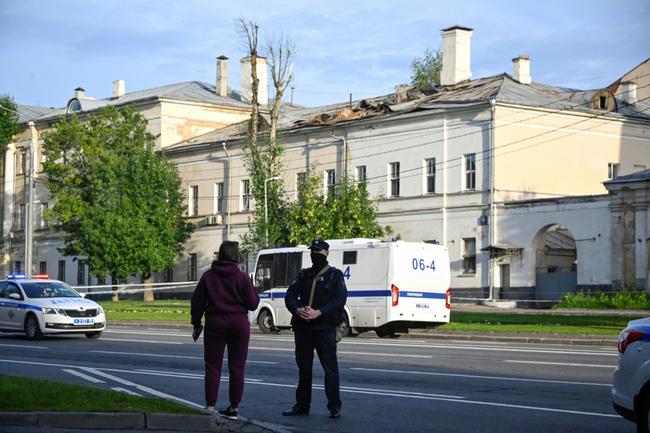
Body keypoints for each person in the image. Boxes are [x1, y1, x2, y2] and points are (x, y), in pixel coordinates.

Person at [190, 241, 260, 420]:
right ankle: (234, 408)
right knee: (237, 367)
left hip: (215, 323)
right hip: (238, 323)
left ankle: (210, 405)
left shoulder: (208, 276)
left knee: (213, 366)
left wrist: (196, 322)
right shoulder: (243, 277)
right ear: (236, 255)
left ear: (220, 254)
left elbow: (197, 302)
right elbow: (253, 303)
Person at [283, 239, 348, 419]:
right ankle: (302, 405)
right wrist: (297, 309)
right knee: (304, 368)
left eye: (318, 251)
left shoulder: (335, 275)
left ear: (326, 253)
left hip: (325, 328)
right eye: (313, 251)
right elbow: (290, 294)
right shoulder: (304, 274)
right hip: (303, 328)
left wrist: (319, 312)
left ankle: (334, 406)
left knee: (330, 369)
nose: (315, 255)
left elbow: (340, 300)